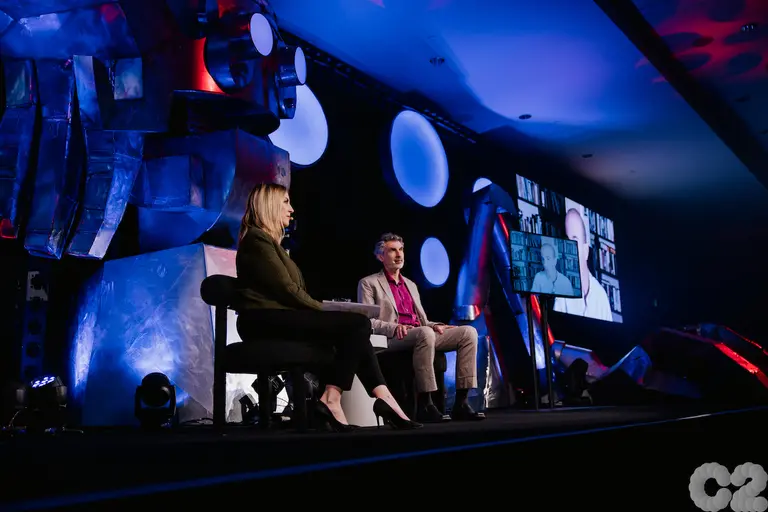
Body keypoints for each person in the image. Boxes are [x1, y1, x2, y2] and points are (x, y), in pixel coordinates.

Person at [235, 183, 421, 431]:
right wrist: (324, 310)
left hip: (279, 316)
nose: (292, 209)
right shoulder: (257, 240)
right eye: (286, 202)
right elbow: (289, 291)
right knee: (357, 323)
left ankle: (383, 398)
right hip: (263, 320)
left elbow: (291, 291)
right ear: (268, 205)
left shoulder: (271, 244)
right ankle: (334, 399)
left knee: (357, 328)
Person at [358, 233, 485, 423]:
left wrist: (437, 326)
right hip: (393, 338)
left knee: (468, 332)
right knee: (425, 334)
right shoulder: (369, 283)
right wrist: (394, 327)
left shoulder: (411, 284)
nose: (399, 255)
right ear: (380, 256)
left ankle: (461, 402)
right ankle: (426, 403)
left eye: (401, 250)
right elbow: (368, 322)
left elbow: (421, 321)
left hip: (420, 332)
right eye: (392, 250)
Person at [553, 209, 612, 321]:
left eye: (574, 241)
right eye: (566, 241)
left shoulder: (601, 297)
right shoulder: (560, 293)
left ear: (586, 250)